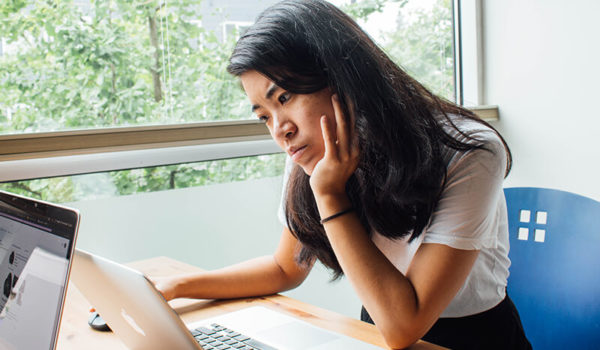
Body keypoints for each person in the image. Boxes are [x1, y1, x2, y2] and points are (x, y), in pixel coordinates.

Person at [154, 1, 531, 349]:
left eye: (284, 97)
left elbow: (404, 324)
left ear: (342, 78)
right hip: (376, 325)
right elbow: (286, 267)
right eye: (263, 116)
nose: (279, 130)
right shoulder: (314, 144)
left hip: (469, 337)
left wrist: (330, 195)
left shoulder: (469, 151)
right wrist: (177, 287)